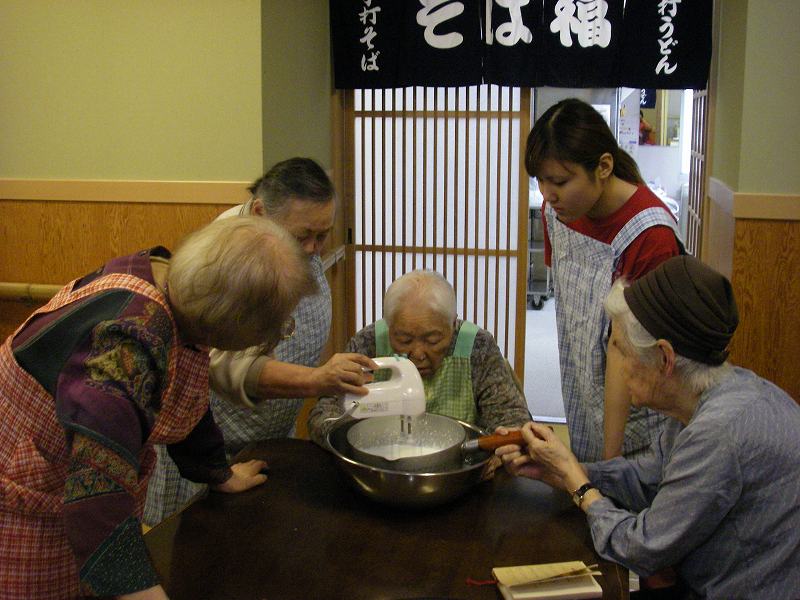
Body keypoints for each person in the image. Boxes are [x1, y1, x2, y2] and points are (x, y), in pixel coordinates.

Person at [0, 216, 317, 599]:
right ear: (231, 324)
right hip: (27, 491)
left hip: (69, 486)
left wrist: (217, 472)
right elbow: (97, 497)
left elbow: (184, 391)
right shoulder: (125, 345)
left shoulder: (174, 287)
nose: (276, 338)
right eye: (279, 328)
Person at [497, 256, 800, 599]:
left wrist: (580, 487)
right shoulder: (717, 393)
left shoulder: (719, 432)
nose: (617, 366)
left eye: (621, 350)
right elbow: (651, 478)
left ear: (665, 358)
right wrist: (565, 470)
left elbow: (641, 548)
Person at [143, 158, 376, 526]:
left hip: (269, 437)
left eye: (322, 236)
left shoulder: (297, 243)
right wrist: (316, 380)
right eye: (302, 236)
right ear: (259, 213)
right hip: (203, 449)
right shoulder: (226, 258)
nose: (313, 248)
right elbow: (224, 366)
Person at [526, 98, 682, 462]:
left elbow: (624, 348)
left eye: (560, 181)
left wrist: (610, 462)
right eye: (541, 180)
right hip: (584, 381)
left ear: (604, 167)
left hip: (639, 393)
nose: (547, 194)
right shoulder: (556, 213)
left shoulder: (651, 236)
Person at [308, 270, 531, 467]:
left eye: (433, 340)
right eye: (404, 340)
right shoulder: (369, 343)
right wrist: (350, 437)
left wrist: (501, 451)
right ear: (389, 326)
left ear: (453, 324)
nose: (417, 354)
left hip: (458, 467)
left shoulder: (476, 346)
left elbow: (511, 418)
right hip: (381, 465)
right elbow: (323, 415)